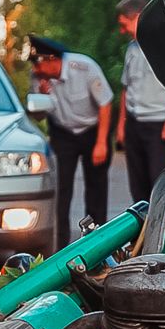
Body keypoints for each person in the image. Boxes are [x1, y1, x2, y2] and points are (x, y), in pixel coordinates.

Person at [28, 34, 113, 240]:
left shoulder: (84, 68)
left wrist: (101, 143)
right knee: (62, 188)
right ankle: (61, 244)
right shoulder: (39, 79)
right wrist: (43, 95)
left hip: (92, 131)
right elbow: (37, 115)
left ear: (52, 59)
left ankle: (96, 244)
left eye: (37, 63)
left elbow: (105, 103)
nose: (35, 69)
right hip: (63, 133)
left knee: (96, 189)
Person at [115, 0, 165, 204]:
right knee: (138, 185)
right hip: (135, 124)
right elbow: (127, 88)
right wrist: (121, 126)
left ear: (136, 17)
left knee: (160, 184)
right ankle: (144, 233)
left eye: (123, 24)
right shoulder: (132, 49)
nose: (122, 30)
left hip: (158, 124)